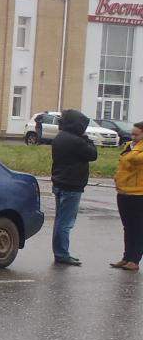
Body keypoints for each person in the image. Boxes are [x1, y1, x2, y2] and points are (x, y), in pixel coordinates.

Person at [50, 109, 99, 266]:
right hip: (72, 185)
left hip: (59, 182)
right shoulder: (77, 141)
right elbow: (93, 154)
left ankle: (59, 252)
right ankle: (62, 254)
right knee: (66, 222)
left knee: (59, 221)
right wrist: (88, 140)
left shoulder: (59, 137)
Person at [111, 121, 143, 272]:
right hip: (123, 191)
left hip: (139, 193)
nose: (133, 137)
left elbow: (136, 160)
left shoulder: (136, 149)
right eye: (132, 133)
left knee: (138, 228)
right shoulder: (130, 146)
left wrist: (133, 150)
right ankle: (126, 257)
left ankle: (135, 260)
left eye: (137, 134)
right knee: (127, 227)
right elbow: (124, 162)